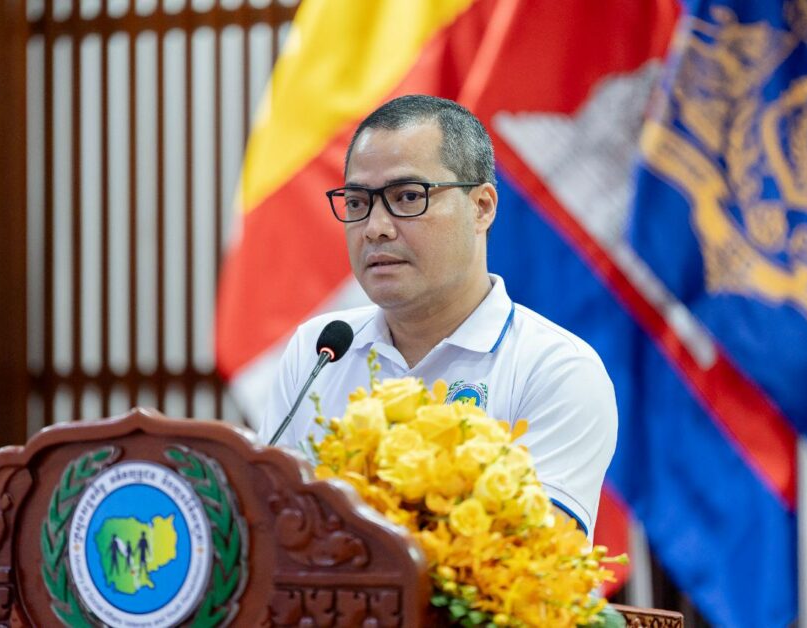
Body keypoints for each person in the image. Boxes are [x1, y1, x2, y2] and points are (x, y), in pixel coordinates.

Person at [259, 95, 617, 538]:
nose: (375, 228)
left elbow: (530, 557)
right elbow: (275, 528)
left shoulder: (554, 369)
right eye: (356, 203)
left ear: (482, 207)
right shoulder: (320, 352)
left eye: (408, 197)